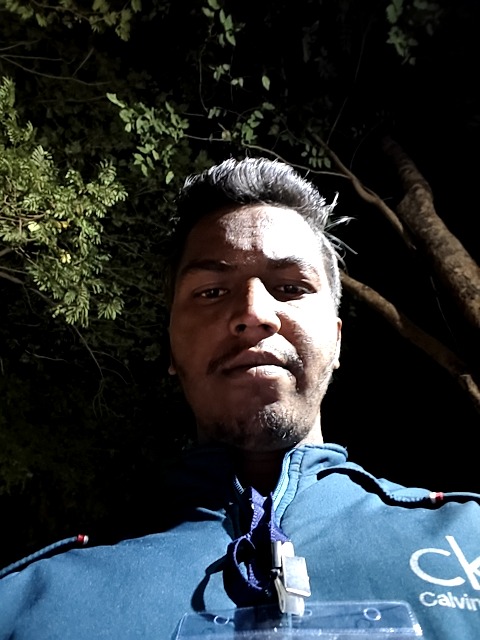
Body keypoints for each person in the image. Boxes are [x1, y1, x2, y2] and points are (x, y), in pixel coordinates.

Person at [0, 157, 479, 639]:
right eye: (211, 291)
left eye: (290, 287)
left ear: (336, 341)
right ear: (171, 347)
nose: (254, 313)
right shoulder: (29, 605)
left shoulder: (470, 540)